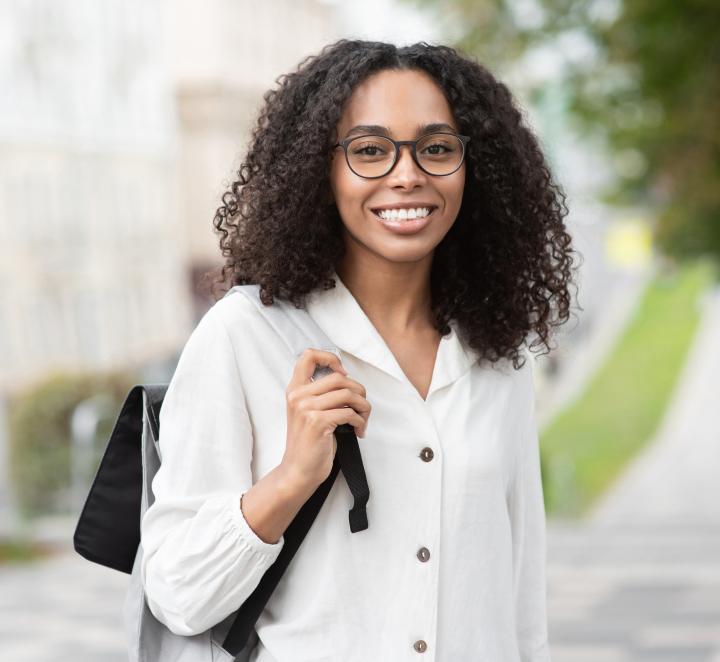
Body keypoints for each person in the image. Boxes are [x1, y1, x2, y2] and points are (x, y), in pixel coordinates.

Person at [140, 39, 578, 661]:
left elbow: (518, 595)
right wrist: (291, 478)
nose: (408, 174)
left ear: (474, 167)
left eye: (437, 148)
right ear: (320, 169)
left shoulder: (495, 354)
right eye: (370, 150)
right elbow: (177, 593)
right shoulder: (245, 336)